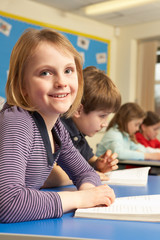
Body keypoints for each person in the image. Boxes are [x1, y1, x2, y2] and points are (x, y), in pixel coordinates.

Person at [0, 28, 115, 223]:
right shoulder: (17, 121)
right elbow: (7, 203)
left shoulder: (57, 127)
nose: (62, 81)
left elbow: (85, 171)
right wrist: (81, 198)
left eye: (68, 70)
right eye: (45, 73)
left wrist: (90, 192)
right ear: (22, 86)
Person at [43, 66, 121, 187]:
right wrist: (88, 175)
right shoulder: (57, 128)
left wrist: (99, 165)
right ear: (78, 110)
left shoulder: (78, 134)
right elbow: (46, 175)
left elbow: (90, 159)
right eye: (102, 116)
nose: (105, 123)